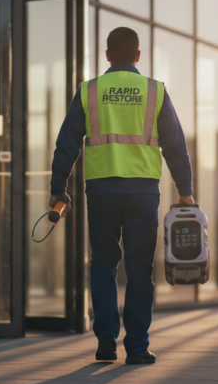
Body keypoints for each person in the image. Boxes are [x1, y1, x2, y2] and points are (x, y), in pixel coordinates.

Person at [49, 26, 193, 365]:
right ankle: (138, 347)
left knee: (103, 263)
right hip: (142, 191)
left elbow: (67, 143)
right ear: (138, 56)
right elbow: (175, 144)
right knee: (140, 269)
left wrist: (59, 189)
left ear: (108, 56)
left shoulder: (89, 90)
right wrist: (185, 192)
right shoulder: (154, 90)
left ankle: (105, 340)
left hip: (100, 190)